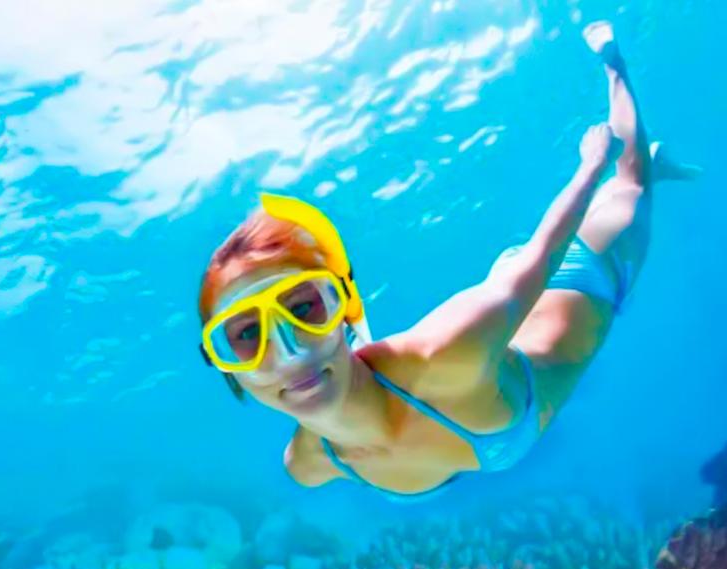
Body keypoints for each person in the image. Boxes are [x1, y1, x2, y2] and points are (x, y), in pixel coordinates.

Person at [197, 21, 699, 501]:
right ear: (229, 371)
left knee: (631, 179)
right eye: (245, 336)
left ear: (342, 309)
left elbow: (544, 254)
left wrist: (590, 169)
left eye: (303, 308)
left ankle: (616, 71)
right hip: (503, 303)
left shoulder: (448, 355)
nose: (286, 352)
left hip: (580, 273)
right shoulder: (310, 464)